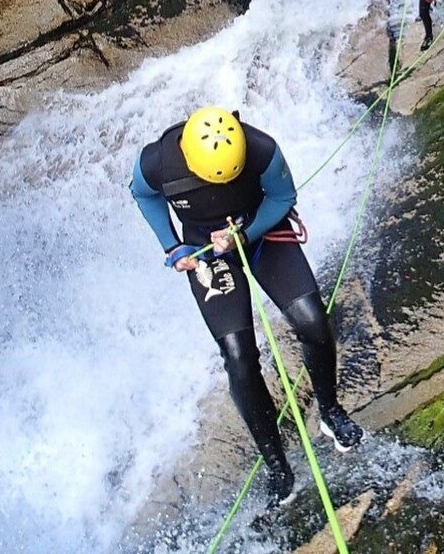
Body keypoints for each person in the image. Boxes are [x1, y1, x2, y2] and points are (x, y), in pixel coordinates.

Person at [129, 107, 363, 506]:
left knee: (312, 320)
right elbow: (143, 194)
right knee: (239, 357)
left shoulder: (260, 148)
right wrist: (172, 246)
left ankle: (330, 411)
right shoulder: (158, 162)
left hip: (260, 232)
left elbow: (283, 196)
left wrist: (246, 232)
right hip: (205, 250)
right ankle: (277, 466)